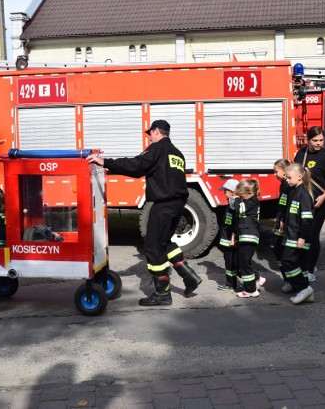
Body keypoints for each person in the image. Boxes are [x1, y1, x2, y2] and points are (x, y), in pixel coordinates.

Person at [87, 119, 202, 306]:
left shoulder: (158, 149)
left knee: (152, 246)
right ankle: (189, 276)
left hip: (163, 205)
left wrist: (106, 162)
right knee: (164, 243)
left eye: (150, 134)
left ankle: (162, 294)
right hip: (177, 204)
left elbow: (137, 165)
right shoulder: (177, 154)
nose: (149, 138)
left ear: (157, 131)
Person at [293, 126, 325, 281]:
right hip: (303, 202)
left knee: (312, 235)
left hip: (320, 203)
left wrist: (323, 197)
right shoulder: (301, 154)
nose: (319, 143)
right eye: (315, 140)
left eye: (321, 140)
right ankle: (303, 264)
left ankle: (310, 269)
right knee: (302, 234)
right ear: (308, 139)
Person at [281, 163, 315, 305]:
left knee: (287, 260)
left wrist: (301, 237)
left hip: (298, 236)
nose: (287, 180)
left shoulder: (304, 194)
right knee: (296, 263)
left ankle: (304, 288)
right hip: (291, 234)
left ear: (299, 177)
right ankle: (304, 291)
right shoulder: (293, 191)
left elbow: (306, 219)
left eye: (289, 177)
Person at [232, 179, 262, 298]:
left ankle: (251, 290)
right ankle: (256, 280)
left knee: (244, 264)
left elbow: (240, 209)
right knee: (242, 263)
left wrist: (237, 199)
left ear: (250, 193)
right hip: (245, 236)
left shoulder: (253, 202)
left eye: (242, 196)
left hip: (249, 236)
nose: (241, 198)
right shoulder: (248, 200)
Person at [272, 159, 293, 293]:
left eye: (276, 171)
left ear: (285, 172)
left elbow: (287, 206)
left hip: (285, 225)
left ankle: (291, 280)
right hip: (281, 222)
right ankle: (288, 279)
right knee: (278, 251)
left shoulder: (288, 186)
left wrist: (283, 221)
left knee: (282, 253)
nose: (274, 174)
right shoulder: (283, 185)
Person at [216, 178, 240, 292]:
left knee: (231, 262)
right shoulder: (231, 202)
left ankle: (231, 283)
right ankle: (231, 283)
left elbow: (236, 222)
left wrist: (233, 237)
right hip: (226, 238)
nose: (224, 193)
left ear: (232, 192)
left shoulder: (235, 203)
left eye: (225, 190)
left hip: (230, 239)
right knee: (229, 261)